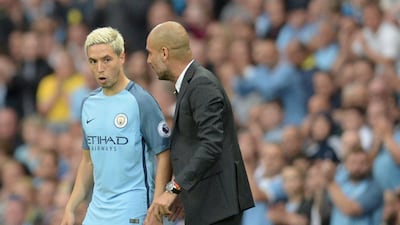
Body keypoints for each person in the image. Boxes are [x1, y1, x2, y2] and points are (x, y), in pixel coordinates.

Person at [145, 21, 254, 225]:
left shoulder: (201, 84)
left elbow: (211, 144)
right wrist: (186, 194)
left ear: (165, 53)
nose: (149, 60)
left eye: (150, 53)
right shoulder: (191, 84)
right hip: (208, 203)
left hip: (218, 207)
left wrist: (174, 188)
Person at [60, 27, 172, 225]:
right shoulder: (88, 104)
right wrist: (70, 207)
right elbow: (87, 162)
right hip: (97, 209)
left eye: (106, 59)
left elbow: (164, 154)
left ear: (122, 57)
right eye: (93, 61)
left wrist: (156, 206)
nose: (100, 68)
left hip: (133, 207)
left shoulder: (141, 101)